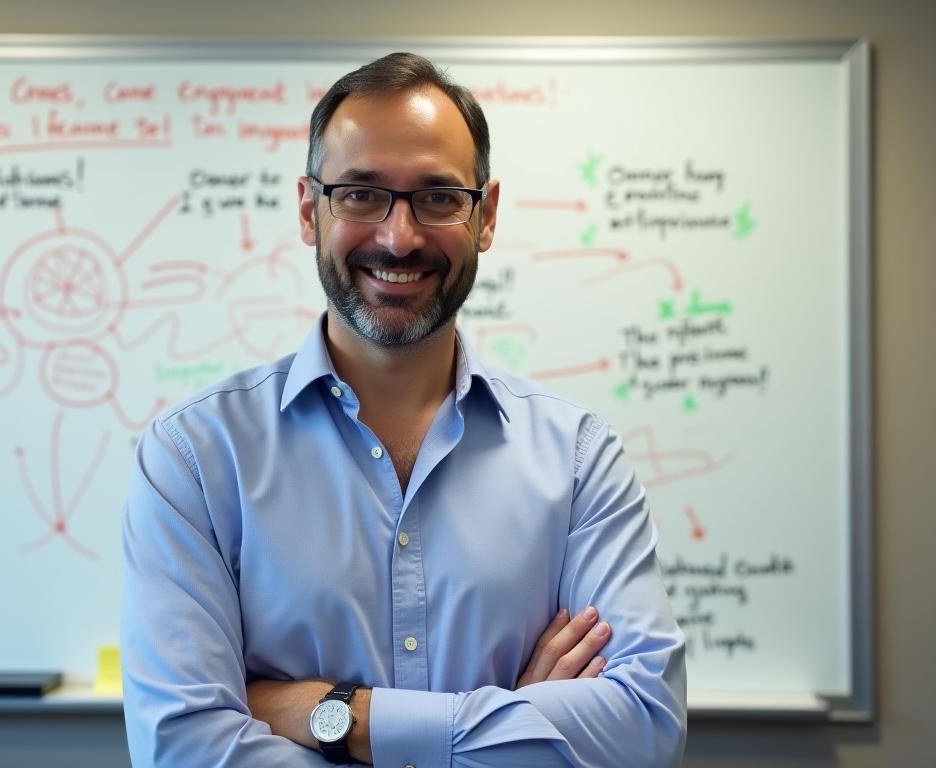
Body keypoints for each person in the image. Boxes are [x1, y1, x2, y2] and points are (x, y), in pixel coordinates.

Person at [122, 52, 686, 767]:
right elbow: (184, 749)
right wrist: (514, 726)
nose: (400, 236)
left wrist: (334, 715)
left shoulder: (579, 459)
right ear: (308, 210)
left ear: (485, 216)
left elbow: (643, 728)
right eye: (360, 193)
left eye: (439, 196)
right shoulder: (197, 459)